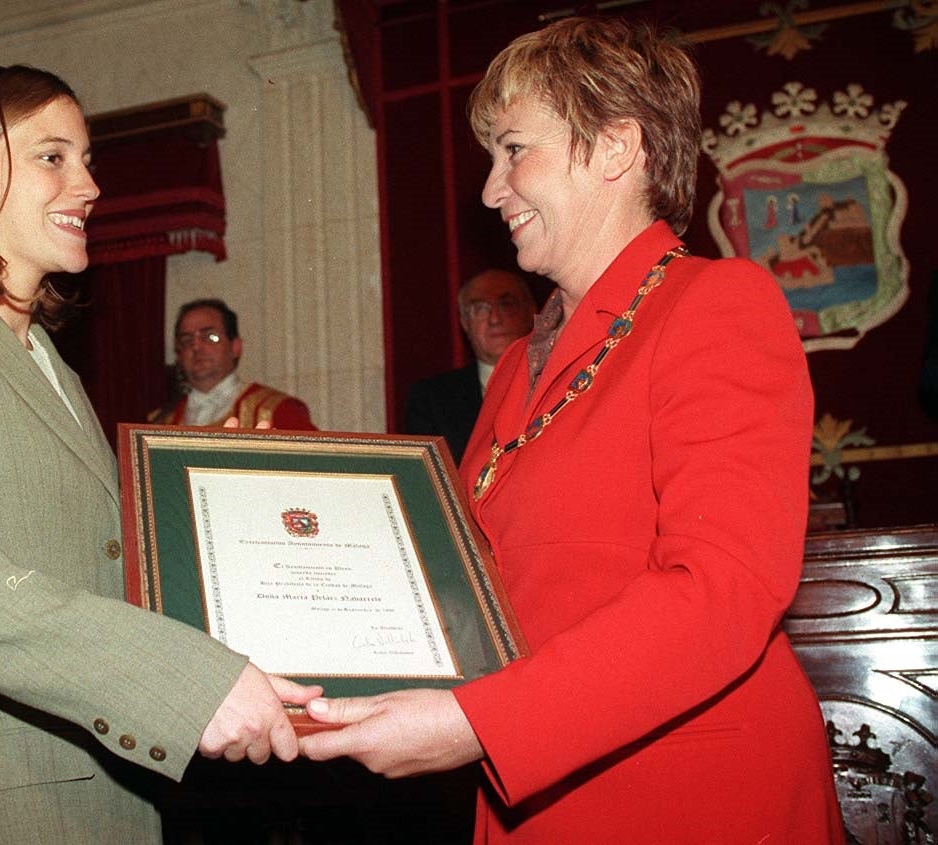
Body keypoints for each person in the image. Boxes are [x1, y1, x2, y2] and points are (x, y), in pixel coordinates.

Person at [300, 17, 843, 842]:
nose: (490, 189)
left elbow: (723, 588)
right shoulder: (518, 364)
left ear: (615, 147)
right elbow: (470, 583)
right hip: (531, 797)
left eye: (514, 150)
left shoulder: (714, 305)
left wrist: (481, 723)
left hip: (684, 798)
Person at [0, 66, 318, 844]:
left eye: (86, 160)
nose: (87, 186)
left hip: (104, 793)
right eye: (53, 157)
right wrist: (179, 678)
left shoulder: (53, 365)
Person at [403, 270, 536, 458]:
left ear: (531, 312)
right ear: (464, 322)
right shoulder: (431, 400)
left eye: (506, 304)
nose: (495, 319)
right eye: (480, 308)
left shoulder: (557, 381)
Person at [148, 298, 316, 429]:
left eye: (210, 336)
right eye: (187, 339)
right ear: (178, 353)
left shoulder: (278, 410)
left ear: (235, 347)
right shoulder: (159, 423)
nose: (196, 346)